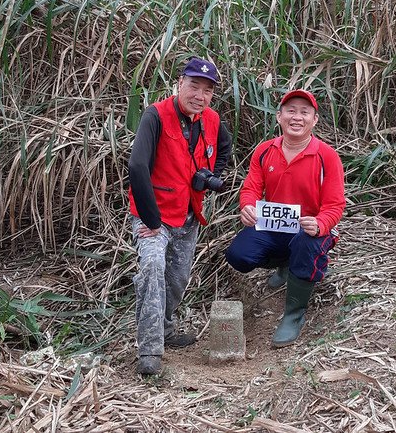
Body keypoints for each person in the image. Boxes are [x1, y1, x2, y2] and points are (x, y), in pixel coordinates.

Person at [127, 57, 232, 375]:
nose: (199, 95)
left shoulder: (212, 120)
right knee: (153, 267)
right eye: (194, 86)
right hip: (153, 217)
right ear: (179, 84)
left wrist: (212, 174)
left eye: (207, 90)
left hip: (189, 216)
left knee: (177, 279)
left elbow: (224, 148)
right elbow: (137, 166)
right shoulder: (155, 115)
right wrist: (150, 220)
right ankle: (149, 351)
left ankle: (166, 329)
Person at [225, 89, 345, 347]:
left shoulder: (327, 156)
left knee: (306, 244)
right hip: (274, 224)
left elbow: (335, 204)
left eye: (304, 112)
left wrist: (321, 223)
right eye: (291, 111)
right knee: (239, 255)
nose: (297, 118)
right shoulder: (264, 150)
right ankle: (285, 264)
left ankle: (294, 314)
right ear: (279, 116)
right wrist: (247, 207)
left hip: (310, 229)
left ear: (314, 120)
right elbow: (251, 189)